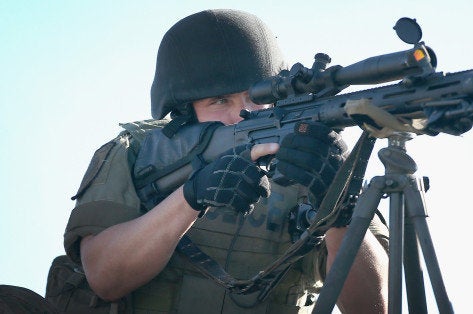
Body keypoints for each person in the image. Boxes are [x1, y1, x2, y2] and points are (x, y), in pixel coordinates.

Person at [53, 9, 389, 313]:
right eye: (219, 100)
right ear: (184, 110)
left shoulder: (316, 157)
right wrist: (191, 197)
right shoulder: (138, 152)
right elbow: (105, 276)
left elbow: (375, 308)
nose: (242, 115)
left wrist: (339, 209)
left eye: (257, 98)